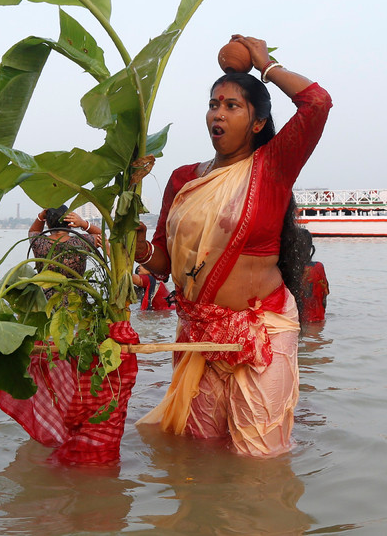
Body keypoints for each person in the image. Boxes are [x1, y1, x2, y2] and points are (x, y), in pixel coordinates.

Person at [135, 35, 332, 457]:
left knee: (259, 464)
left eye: (231, 105)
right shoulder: (183, 179)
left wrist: (265, 66)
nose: (217, 114)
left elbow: (317, 104)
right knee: (199, 457)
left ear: (257, 122)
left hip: (260, 336)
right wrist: (138, 249)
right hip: (197, 336)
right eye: (213, 104)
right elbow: (163, 265)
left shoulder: (273, 166)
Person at [28, 205, 102, 281]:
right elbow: (102, 237)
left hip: (44, 292)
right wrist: (83, 224)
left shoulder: (39, 242)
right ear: (70, 223)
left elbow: (33, 231)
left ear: (47, 224)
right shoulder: (80, 242)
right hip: (75, 292)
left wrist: (41, 216)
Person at [281, 226, 329, 323]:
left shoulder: (286, 269)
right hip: (318, 320)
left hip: (294, 323)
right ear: (310, 247)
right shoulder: (318, 267)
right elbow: (324, 298)